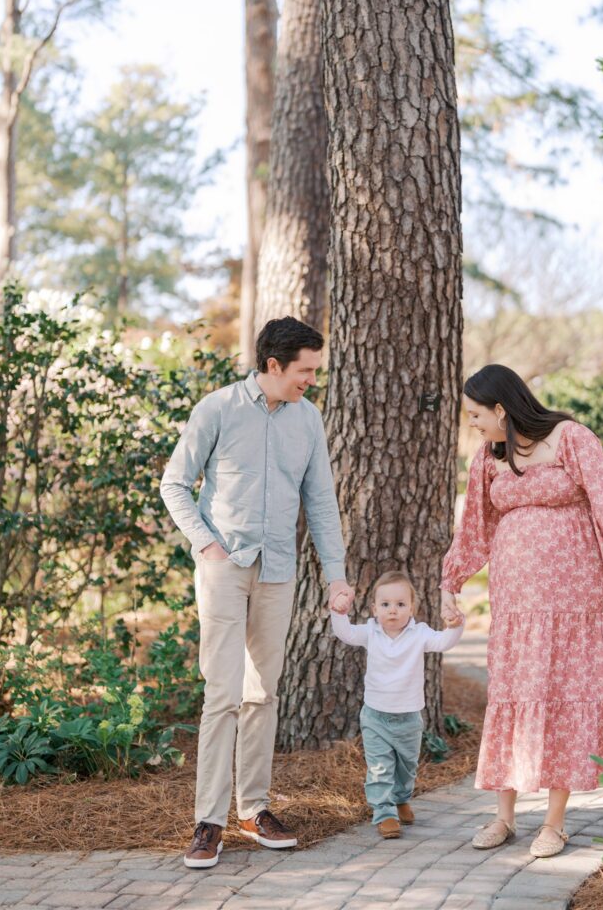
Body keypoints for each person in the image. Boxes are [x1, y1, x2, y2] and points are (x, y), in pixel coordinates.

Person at [160, 317, 355, 869]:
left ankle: (256, 808)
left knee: (261, 693)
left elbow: (320, 503)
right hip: (224, 567)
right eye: (305, 371)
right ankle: (209, 821)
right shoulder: (218, 408)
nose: (312, 380)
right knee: (221, 694)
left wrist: (335, 575)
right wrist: (206, 545)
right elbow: (174, 482)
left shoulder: (308, 419)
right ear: (273, 365)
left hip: (279, 571)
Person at [440, 364, 603, 859]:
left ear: (501, 408)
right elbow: (475, 528)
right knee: (515, 692)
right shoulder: (488, 458)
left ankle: (554, 823)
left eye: (476, 414)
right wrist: (450, 581)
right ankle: (504, 817)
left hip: (575, 599)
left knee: (564, 692)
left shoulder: (572, 438)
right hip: (517, 605)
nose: (471, 423)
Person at [330, 571, 464, 838]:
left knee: (406, 767)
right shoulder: (371, 632)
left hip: (409, 718)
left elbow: (444, 642)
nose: (393, 611)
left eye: (401, 604)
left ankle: (402, 798)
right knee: (379, 768)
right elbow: (344, 632)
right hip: (376, 716)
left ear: (412, 608)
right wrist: (339, 610)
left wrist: (455, 625)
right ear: (374, 609)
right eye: (386, 604)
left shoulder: (419, 634)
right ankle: (384, 812)